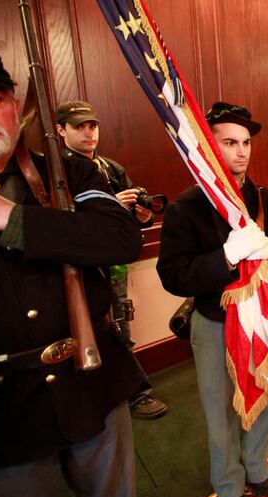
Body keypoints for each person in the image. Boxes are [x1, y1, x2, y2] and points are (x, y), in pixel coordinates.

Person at [0, 48, 145, 497]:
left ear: (16, 108)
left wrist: (13, 221)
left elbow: (121, 238)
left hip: (94, 386)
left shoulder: (66, 169)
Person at [156, 102, 268, 497]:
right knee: (220, 413)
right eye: (230, 142)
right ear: (208, 147)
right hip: (215, 321)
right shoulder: (188, 206)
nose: (242, 152)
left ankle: (258, 468)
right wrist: (226, 256)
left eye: (247, 142)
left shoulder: (266, 200)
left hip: (263, 317)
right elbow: (174, 275)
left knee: (266, 402)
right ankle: (230, 485)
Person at [55, 99, 168, 420]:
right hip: (76, 267)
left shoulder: (109, 167)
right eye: (80, 126)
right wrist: (107, 205)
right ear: (61, 130)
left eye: (93, 125)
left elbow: (133, 218)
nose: (89, 133)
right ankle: (112, 394)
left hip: (113, 262)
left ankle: (133, 393)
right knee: (86, 326)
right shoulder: (56, 171)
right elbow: (56, 222)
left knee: (119, 321)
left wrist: (142, 215)